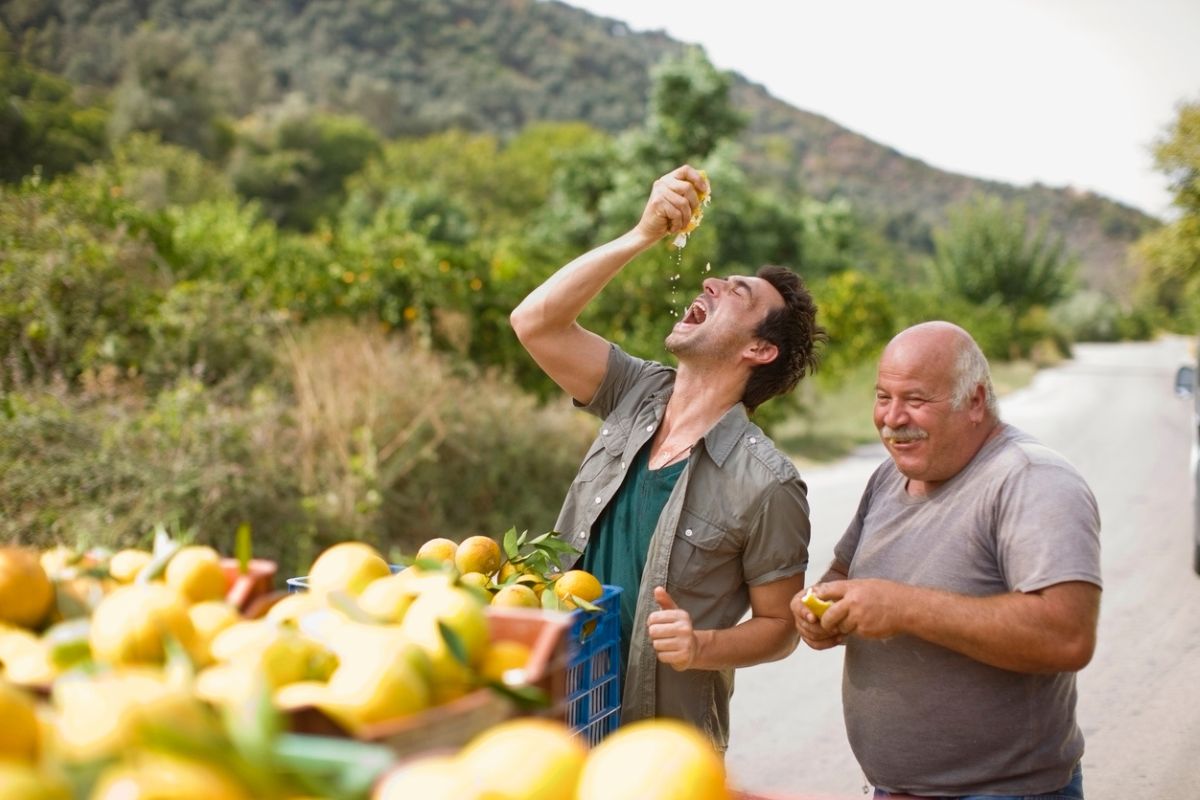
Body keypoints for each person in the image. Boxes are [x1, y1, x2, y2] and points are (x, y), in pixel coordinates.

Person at [510, 164, 824, 750]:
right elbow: (535, 323)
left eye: (738, 293)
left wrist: (702, 646)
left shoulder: (768, 483)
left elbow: (781, 628)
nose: (711, 285)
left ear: (760, 348)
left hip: (660, 748)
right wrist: (641, 234)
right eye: (718, 280)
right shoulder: (634, 392)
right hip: (562, 711)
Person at [792, 321, 1101, 799]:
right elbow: (845, 575)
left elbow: (1067, 635)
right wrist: (819, 608)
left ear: (974, 401)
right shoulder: (889, 477)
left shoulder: (1032, 480)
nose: (892, 418)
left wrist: (903, 607)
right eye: (882, 396)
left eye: (915, 400)